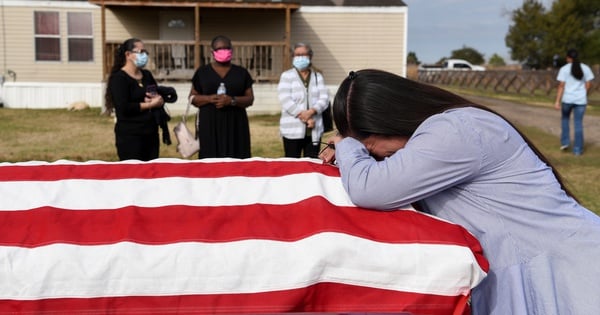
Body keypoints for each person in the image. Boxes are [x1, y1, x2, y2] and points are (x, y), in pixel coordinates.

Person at [319, 69, 600, 315]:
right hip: (543, 270)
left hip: (572, 277)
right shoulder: (446, 129)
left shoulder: (455, 129)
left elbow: (370, 189)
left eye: (372, 148)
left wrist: (347, 146)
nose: (376, 156)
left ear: (392, 118)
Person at [189, 35, 254, 158]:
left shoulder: (241, 73)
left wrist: (232, 100)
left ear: (232, 50)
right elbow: (192, 97)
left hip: (236, 126)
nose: (223, 51)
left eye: (226, 48)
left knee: (237, 162)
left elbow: (250, 99)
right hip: (209, 125)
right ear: (212, 51)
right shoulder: (202, 72)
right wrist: (208, 98)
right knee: (210, 163)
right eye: (219, 49)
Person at [104, 38, 166, 161]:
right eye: (140, 51)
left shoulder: (147, 75)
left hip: (151, 133)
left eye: (145, 52)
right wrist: (149, 105)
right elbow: (123, 107)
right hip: (130, 135)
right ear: (128, 54)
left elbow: (154, 94)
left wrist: (159, 99)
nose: (144, 55)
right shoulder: (119, 78)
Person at [277, 42, 329, 158]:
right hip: (291, 129)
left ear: (310, 56)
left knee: (312, 164)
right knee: (291, 164)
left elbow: (324, 98)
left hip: (314, 130)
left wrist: (311, 112)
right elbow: (285, 99)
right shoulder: (286, 76)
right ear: (293, 57)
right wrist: (305, 117)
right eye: (297, 54)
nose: (300, 57)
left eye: (303, 54)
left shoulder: (317, 77)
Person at [554, 48, 595, 155]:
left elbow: (561, 86)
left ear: (568, 58)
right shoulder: (585, 68)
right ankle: (577, 150)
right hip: (580, 100)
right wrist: (583, 93)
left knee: (565, 120)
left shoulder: (564, 69)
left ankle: (565, 143)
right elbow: (589, 83)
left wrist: (557, 101)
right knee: (578, 123)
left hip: (567, 99)